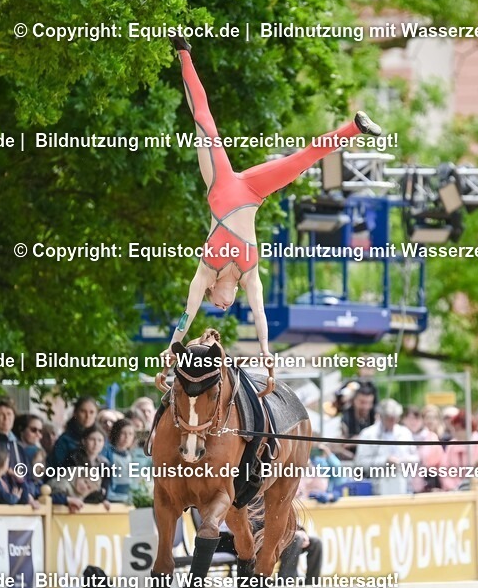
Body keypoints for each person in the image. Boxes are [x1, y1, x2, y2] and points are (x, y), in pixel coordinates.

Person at [161, 37, 383, 367]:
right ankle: (354, 127)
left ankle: (183, 53)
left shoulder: (205, 275)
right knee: (302, 160)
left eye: (220, 304)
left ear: (211, 292)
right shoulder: (249, 276)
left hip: (221, 186)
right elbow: (260, 313)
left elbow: (186, 313)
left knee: (204, 121)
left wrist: (173, 345)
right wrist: (265, 350)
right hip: (251, 193)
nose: (226, 305)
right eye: (228, 306)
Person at [52, 396, 99, 467]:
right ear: (75, 413)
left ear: (96, 414)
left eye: (91, 412)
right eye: (83, 411)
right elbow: (56, 468)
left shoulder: (102, 439)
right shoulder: (65, 440)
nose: (88, 416)